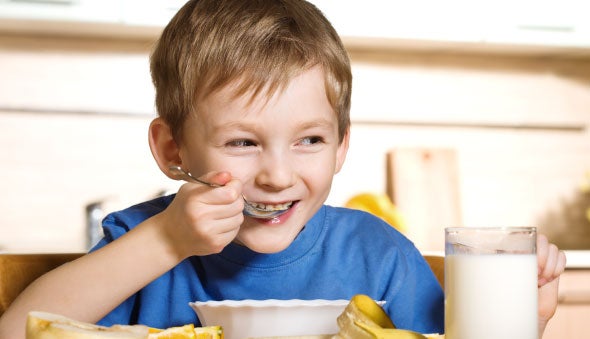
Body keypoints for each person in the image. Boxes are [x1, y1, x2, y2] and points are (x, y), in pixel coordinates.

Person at [0, 0, 566, 338]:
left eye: (310, 140)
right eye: (243, 141)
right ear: (173, 149)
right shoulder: (144, 246)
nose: (276, 175)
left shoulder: (380, 255)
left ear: (342, 146)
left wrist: (523, 321)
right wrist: (167, 242)